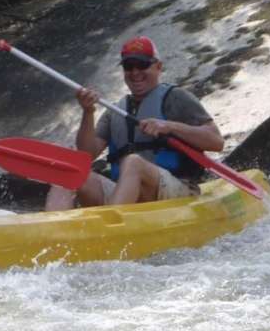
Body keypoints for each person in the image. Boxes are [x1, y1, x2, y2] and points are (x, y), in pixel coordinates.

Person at [45, 36, 224, 211]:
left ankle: (113, 221)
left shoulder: (177, 98)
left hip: (179, 191)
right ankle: (52, 227)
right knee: (70, 171)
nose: (135, 72)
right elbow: (87, 154)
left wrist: (170, 126)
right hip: (128, 197)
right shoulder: (115, 110)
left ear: (158, 66)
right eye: (129, 66)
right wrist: (88, 112)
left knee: (133, 162)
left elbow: (216, 142)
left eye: (142, 64)